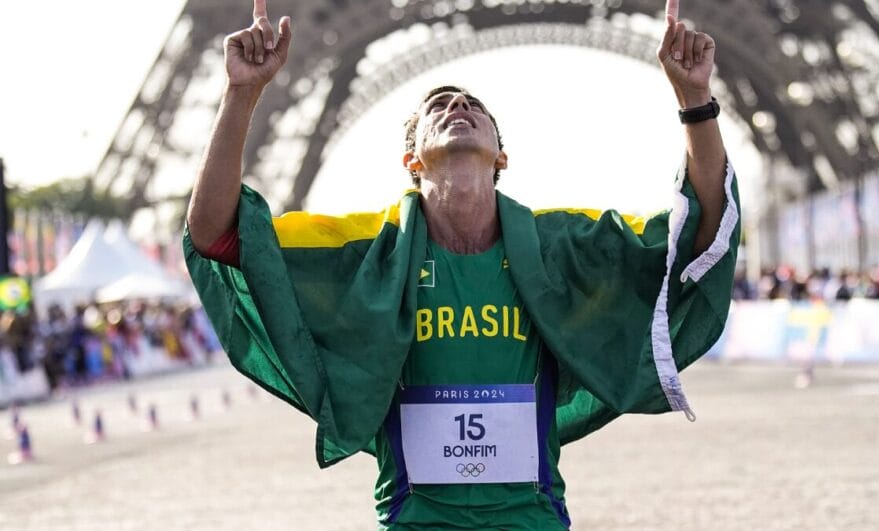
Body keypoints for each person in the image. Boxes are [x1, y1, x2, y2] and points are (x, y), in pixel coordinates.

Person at [184, 0, 740, 528]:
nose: (458, 106)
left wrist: (695, 100)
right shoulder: (364, 250)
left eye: (474, 107)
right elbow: (215, 233)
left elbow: (694, 239)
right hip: (415, 522)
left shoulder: (560, 245)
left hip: (531, 521)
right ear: (411, 159)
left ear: (502, 156)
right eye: (439, 106)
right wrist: (241, 94)